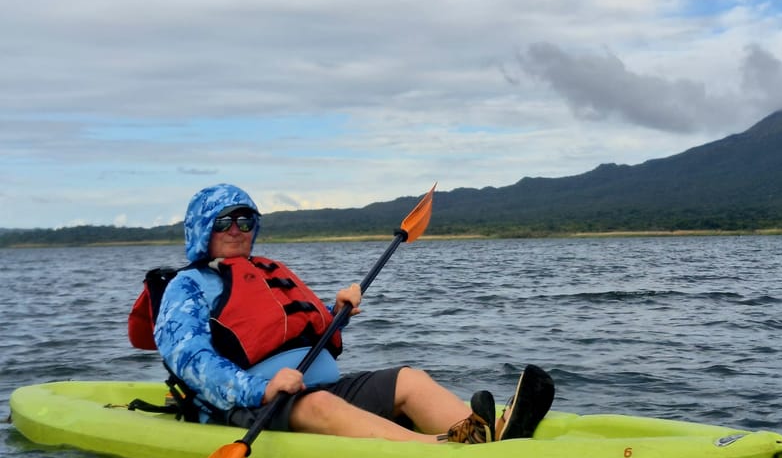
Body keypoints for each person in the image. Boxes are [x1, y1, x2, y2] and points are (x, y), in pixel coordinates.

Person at [153, 183, 554, 444]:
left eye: (245, 220)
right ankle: (446, 447)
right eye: (225, 221)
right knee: (321, 407)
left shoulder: (264, 271)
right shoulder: (184, 288)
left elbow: (292, 329)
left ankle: (488, 433)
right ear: (203, 228)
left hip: (313, 389)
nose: (237, 229)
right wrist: (262, 389)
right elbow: (192, 363)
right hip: (245, 405)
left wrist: (335, 312)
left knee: (409, 380)